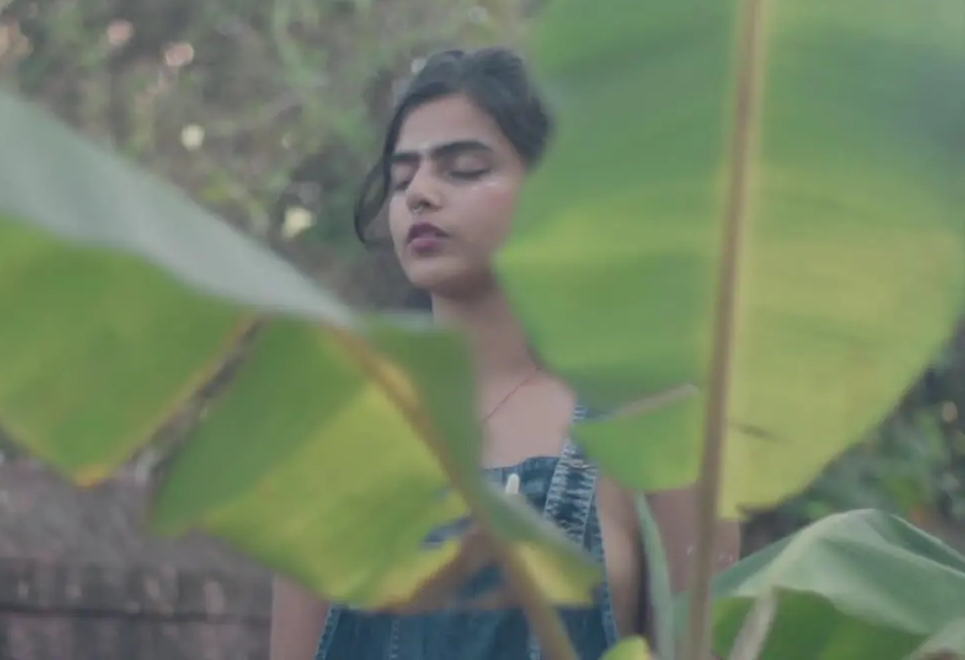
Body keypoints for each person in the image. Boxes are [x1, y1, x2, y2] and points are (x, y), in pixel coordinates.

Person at [268, 47, 741, 660]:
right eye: (403, 177)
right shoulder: (329, 433)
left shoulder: (654, 422)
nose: (420, 195)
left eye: (463, 168)